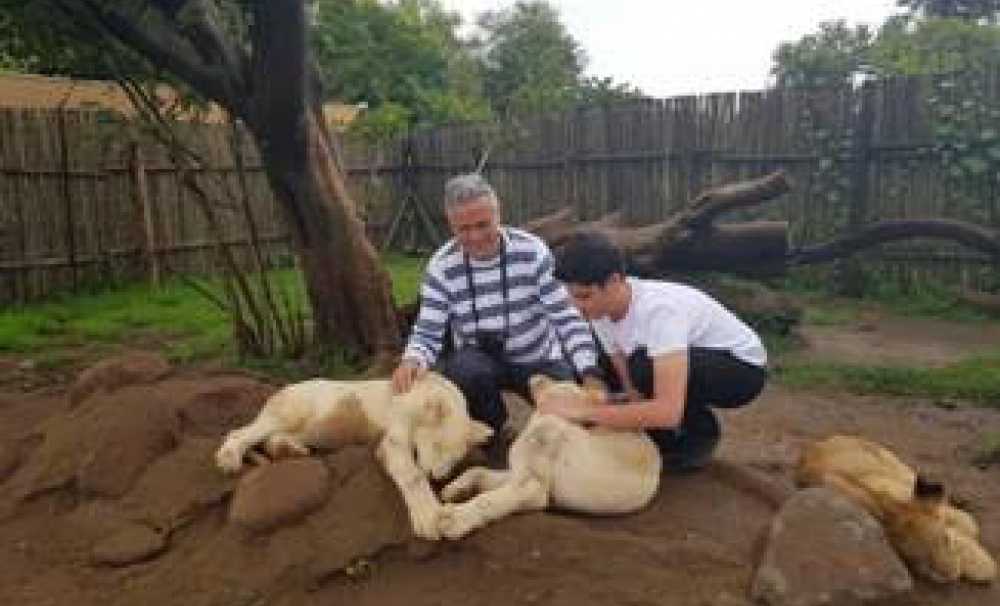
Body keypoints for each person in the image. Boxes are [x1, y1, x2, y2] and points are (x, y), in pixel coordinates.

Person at [391, 173, 603, 437]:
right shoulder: (441, 266)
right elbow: (427, 331)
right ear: (450, 225)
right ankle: (491, 429)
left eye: (483, 225)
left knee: (568, 423)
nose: (476, 237)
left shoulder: (533, 253)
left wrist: (589, 371)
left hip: (538, 358)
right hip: (480, 362)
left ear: (498, 215)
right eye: (464, 229)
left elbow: (567, 317)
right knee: (464, 371)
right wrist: (412, 359)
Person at [547, 230, 768, 472]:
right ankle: (663, 437)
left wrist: (586, 413)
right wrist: (625, 406)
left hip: (743, 369)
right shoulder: (600, 311)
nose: (576, 307)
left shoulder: (659, 310)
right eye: (571, 296)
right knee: (603, 369)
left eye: (584, 296)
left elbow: (666, 411)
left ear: (613, 282)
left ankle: (700, 434)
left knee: (644, 369)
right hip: (688, 356)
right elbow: (626, 377)